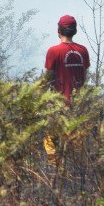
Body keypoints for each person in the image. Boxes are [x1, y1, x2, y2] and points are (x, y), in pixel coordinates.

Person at [43, 14, 90, 162]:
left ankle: (53, 170)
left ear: (59, 31)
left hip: (58, 104)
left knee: (51, 139)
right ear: (74, 31)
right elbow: (84, 76)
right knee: (75, 142)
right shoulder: (83, 51)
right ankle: (75, 170)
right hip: (79, 105)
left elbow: (47, 78)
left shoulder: (53, 51)